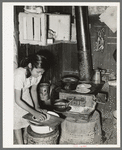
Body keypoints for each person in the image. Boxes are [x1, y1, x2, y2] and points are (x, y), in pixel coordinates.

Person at [14, 53, 49, 144]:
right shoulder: (19, 74)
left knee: (27, 118)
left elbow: (33, 91)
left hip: (24, 92)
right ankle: (20, 144)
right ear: (30, 66)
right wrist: (35, 112)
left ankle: (26, 139)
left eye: (42, 72)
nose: (40, 74)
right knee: (17, 121)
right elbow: (17, 100)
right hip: (12, 95)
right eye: (38, 72)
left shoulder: (38, 75)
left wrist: (36, 107)